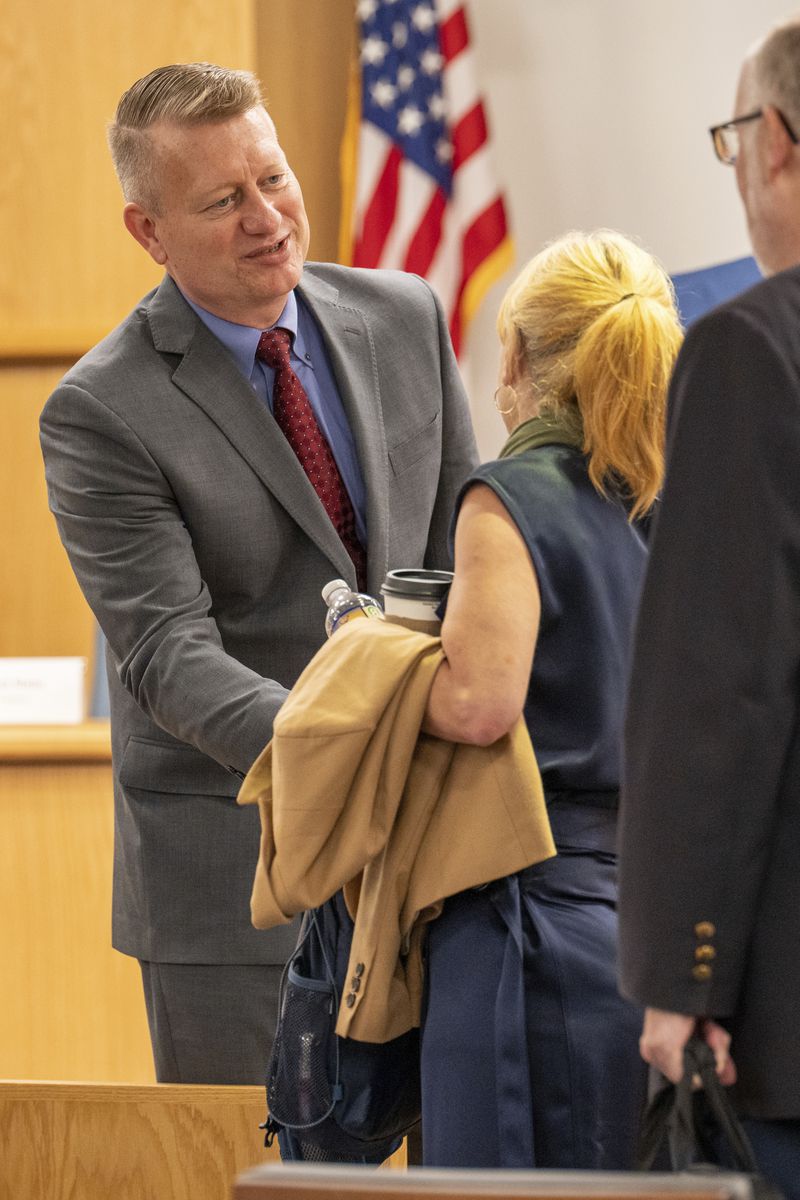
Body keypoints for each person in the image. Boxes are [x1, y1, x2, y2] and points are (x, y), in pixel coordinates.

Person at [39, 62, 478, 1086]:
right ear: (146, 232)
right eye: (223, 200)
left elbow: (465, 548)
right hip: (236, 879)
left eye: (272, 180)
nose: (266, 217)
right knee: (253, 1170)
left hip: (437, 852)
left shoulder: (406, 313)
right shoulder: (102, 410)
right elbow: (164, 655)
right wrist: (349, 746)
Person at [419, 229, 683, 1168]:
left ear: (520, 356)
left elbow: (480, 703)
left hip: (525, 926)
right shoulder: (678, 501)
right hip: (655, 934)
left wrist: (380, 666)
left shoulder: (510, 497)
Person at [618, 15, 800, 1198]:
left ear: (775, 143)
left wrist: (684, 975)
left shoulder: (748, 350)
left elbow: (717, 691)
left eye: (732, 137)